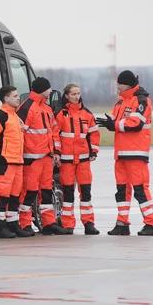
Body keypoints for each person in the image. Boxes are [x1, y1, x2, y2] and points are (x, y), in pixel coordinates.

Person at [97, 70, 153, 236]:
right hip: (121, 154)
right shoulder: (119, 103)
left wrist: (114, 125)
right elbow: (116, 122)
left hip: (136, 153)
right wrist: (109, 123)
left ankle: (151, 224)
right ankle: (122, 223)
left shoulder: (141, 100)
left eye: (119, 84)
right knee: (121, 191)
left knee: (140, 189)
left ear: (127, 84)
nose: (117, 87)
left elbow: (136, 123)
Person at [17, 77, 68, 235]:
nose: (50, 92)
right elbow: (19, 134)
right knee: (29, 191)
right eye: (48, 89)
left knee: (46, 192)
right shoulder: (27, 107)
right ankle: (24, 224)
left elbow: (53, 132)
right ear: (41, 89)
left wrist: (57, 153)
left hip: (46, 157)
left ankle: (48, 224)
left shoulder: (46, 108)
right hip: (31, 158)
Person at [54, 83, 101, 235]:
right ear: (66, 96)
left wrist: (93, 150)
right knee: (68, 194)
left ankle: (89, 223)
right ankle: (68, 225)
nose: (76, 96)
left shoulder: (87, 114)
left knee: (86, 194)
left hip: (83, 161)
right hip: (66, 161)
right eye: (73, 94)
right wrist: (57, 152)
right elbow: (55, 135)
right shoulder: (61, 114)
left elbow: (94, 134)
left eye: (78, 93)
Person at [0, 86, 26, 238]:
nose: (17, 98)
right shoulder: (0, 116)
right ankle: (0, 226)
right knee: (1, 194)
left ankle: (13, 223)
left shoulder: (15, 116)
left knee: (15, 195)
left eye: (17, 95)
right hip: (4, 162)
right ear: (6, 98)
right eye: (14, 96)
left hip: (17, 161)